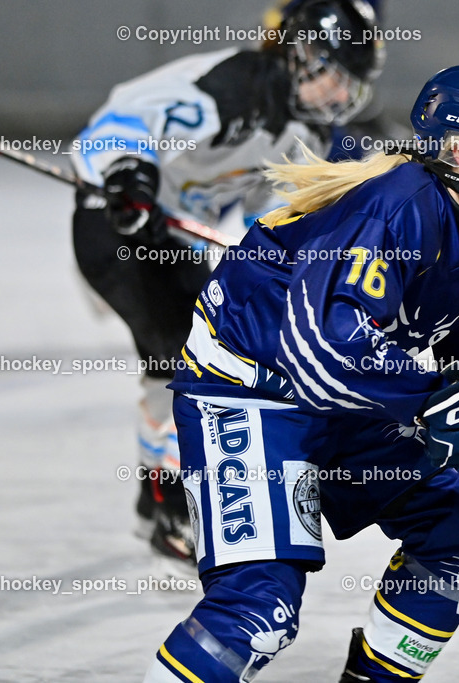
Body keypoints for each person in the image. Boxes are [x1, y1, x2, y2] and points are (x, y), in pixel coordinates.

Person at [144, 62, 459, 683]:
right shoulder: (396, 209)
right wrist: (429, 402)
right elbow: (326, 348)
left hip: (346, 397)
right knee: (261, 607)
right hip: (248, 394)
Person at [68, 0, 383, 569]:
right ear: (304, 55)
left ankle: (155, 499)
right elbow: (123, 118)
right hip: (116, 225)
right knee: (179, 354)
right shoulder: (235, 86)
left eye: (349, 85)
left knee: (196, 354)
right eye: (337, 77)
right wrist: (130, 172)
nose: (341, 97)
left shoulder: (301, 127)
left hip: (174, 241)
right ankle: (168, 507)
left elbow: (275, 206)